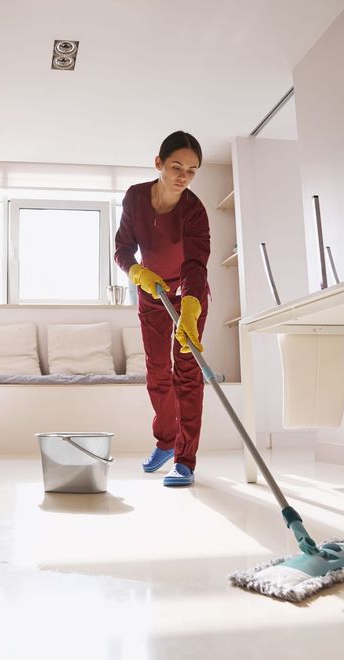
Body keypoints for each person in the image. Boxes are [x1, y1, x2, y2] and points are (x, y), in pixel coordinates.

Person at [114, 131, 210, 487]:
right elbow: (122, 247)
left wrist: (190, 307)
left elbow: (197, 265)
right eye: (176, 166)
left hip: (188, 297)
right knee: (157, 370)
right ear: (159, 163)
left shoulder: (194, 210)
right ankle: (166, 442)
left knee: (187, 372)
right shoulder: (136, 197)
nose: (183, 176)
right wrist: (136, 271)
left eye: (192, 170)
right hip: (151, 290)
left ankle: (185, 459)